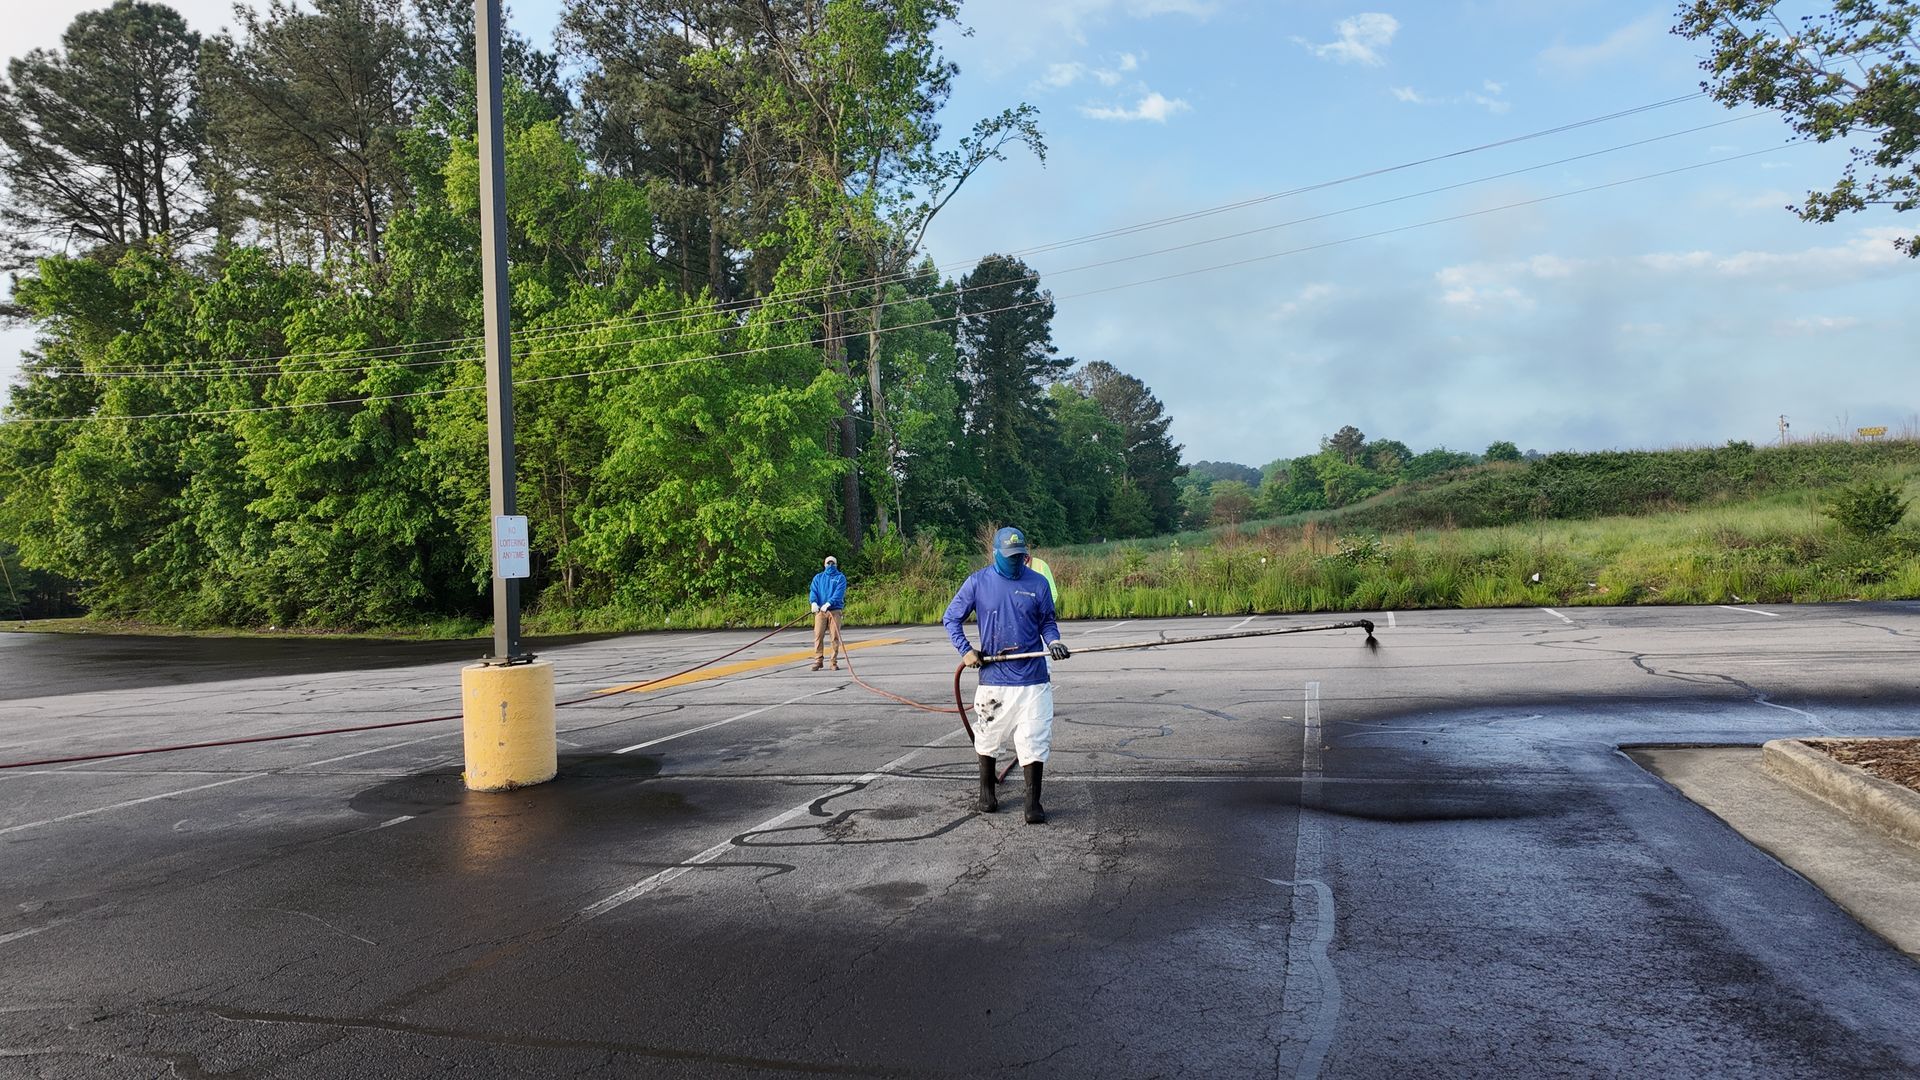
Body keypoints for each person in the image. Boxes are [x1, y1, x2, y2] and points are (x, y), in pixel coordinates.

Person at [942, 526, 1070, 824]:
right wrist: (965, 650)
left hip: (1033, 679)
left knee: (1034, 738)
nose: (1015, 561)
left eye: (1019, 556)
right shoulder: (978, 582)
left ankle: (1032, 801)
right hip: (994, 680)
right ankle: (987, 792)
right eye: (1009, 556)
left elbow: (1047, 622)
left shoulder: (1037, 583)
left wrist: (1054, 642)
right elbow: (951, 618)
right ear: (996, 552)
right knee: (988, 736)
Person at [808, 555, 846, 671]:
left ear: (836, 565)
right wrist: (813, 602)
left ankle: (833, 662)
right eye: (828, 563)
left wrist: (829, 603)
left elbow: (838, 593)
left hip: (834, 611)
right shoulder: (818, 577)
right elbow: (813, 591)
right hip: (820, 611)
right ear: (824, 564)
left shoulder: (840, 578)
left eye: (832, 563)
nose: (830, 565)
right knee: (818, 635)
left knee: (834, 636)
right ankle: (818, 660)